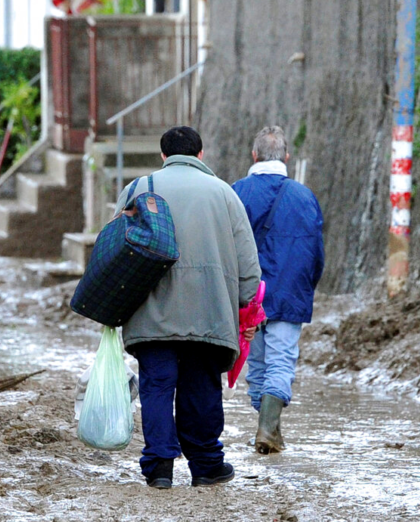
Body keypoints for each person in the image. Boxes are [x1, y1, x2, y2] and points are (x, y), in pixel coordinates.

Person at [115, 126, 262, 489]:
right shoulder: (224, 194)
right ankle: (207, 465)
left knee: (158, 386)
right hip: (209, 312)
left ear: (163, 156)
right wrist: (245, 306)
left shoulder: (137, 190)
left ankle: (160, 467)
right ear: (200, 155)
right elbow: (249, 266)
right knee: (201, 388)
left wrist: (110, 305)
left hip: (150, 312)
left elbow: (113, 253)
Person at [232, 125, 325, 455]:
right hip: (289, 294)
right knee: (281, 362)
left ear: (254, 155)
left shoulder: (235, 193)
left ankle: (268, 430)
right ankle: (268, 430)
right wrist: (306, 288)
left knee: (256, 366)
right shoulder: (304, 196)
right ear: (286, 157)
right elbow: (316, 253)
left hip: (247, 296)